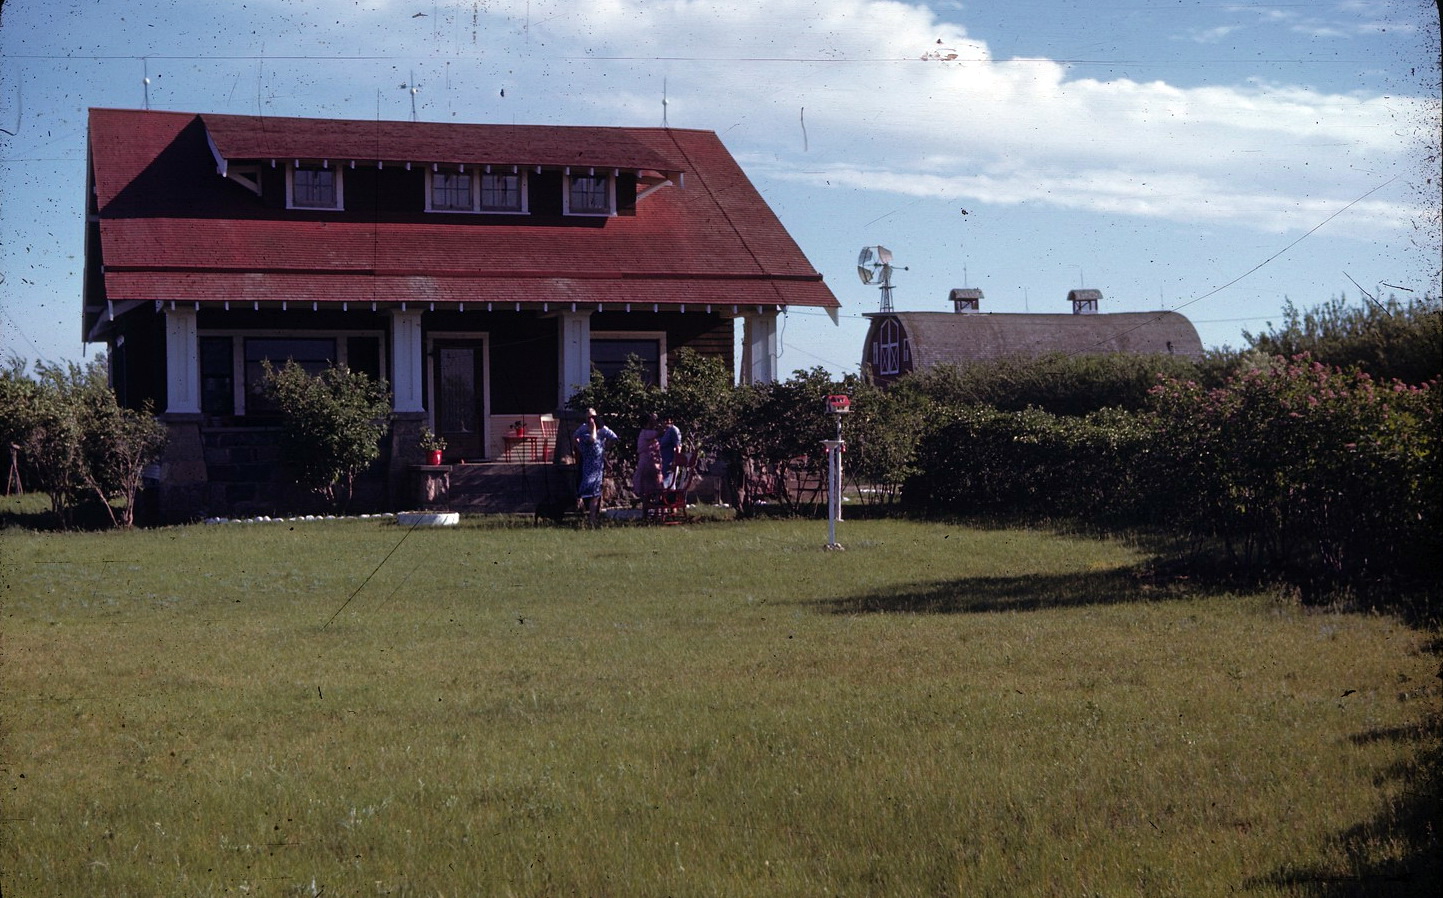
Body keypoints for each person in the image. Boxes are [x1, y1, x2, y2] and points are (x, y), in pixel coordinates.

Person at [572, 408, 618, 527]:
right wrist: (580, 449)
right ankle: (586, 511)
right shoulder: (584, 431)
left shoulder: (603, 429)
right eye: (588, 417)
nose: (591, 420)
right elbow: (582, 439)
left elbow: (614, 438)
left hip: (598, 465)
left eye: (593, 417)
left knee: (595, 493)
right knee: (586, 488)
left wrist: (605, 449)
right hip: (588, 463)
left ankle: (592, 517)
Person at [633, 413, 663, 500]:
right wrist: (656, 422)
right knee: (651, 481)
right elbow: (661, 432)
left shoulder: (645, 433)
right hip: (648, 461)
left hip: (648, 460)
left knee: (648, 482)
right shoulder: (646, 433)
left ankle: (650, 500)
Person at [658, 415, 683, 487]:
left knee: (668, 485)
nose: (665, 422)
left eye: (667, 420)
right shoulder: (666, 432)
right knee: (664, 485)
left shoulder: (673, 430)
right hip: (664, 463)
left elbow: (678, 447)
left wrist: (674, 462)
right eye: (664, 420)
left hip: (670, 463)